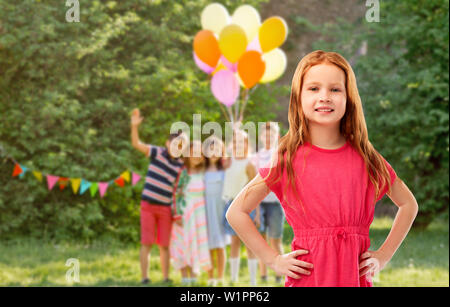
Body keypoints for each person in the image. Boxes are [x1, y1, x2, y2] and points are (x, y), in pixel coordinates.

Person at [226, 50, 419, 287]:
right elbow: (236, 212)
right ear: (298, 97)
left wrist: (384, 255)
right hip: (308, 280)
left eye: (335, 89)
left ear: (349, 98)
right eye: (314, 88)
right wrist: (273, 260)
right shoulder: (286, 159)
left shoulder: (367, 159)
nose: (324, 96)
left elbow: (408, 204)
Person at [130, 108, 187, 285]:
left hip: (165, 208)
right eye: (175, 142)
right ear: (167, 143)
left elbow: (180, 190)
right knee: (146, 242)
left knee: (164, 244)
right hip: (148, 205)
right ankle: (145, 277)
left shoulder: (180, 166)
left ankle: (165, 277)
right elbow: (137, 144)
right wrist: (134, 127)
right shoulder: (157, 152)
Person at [170, 140, 211, 285]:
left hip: (199, 215)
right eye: (193, 153)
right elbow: (177, 193)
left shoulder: (204, 172)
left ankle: (194, 276)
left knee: (196, 244)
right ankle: (185, 277)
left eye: (199, 153)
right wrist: (177, 214)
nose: (196, 156)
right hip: (185, 213)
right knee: (183, 243)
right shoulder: (183, 172)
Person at [222, 129, 259, 286]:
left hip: (244, 207)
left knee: (249, 243)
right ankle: (234, 278)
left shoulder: (249, 164)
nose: (238, 145)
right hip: (229, 205)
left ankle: (252, 280)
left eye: (241, 142)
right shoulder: (227, 161)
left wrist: (257, 213)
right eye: (235, 142)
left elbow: (256, 190)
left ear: (246, 145)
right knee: (234, 242)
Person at [254, 122, 285, 284]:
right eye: (265, 134)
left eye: (271, 134)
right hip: (259, 204)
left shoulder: (280, 155)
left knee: (275, 239)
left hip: (276, 204)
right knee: (262, 241)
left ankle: (280, 274)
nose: (268, 137)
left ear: (276, 137)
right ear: (260, 137)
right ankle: (263, 276)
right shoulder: (256, 157)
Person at [203, 136, 229, 286]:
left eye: (217, 150)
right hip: (206, 210)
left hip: (220, 210)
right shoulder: (202, 170)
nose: (213, 153)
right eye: (211, 149)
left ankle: (220, 277)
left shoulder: (224, 169)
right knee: (208, 246)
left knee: (220, 245)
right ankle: (210, 277)